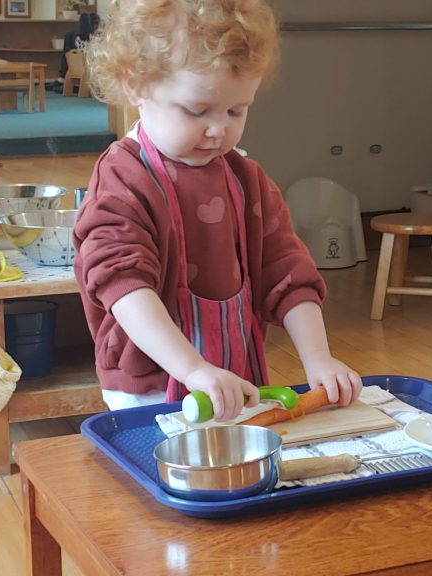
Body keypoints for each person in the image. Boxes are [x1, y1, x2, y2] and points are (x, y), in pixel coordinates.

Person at [73, 0, 363, 419]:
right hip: (151, 388)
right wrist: (191, 369)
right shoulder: (122, 179)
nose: (218, 129)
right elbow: (123, 283)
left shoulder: (247, 180)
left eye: (236, 110)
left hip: (235, 377)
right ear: (135, 86)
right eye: (196, 110)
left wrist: (318, 358)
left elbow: (288, 272)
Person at [54, 12, 99, 91]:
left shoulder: (75, 36)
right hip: (89, 69)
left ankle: (63, 78)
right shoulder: (94, 38)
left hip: (77, 70)